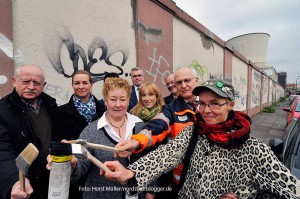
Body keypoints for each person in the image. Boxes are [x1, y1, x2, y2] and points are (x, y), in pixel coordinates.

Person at [103, 79, 300, 198]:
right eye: (202, 104)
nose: (206, 111)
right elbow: (164, 156)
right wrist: (131, 173)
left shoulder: (253, 149)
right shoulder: (193, 133)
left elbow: (291, 190)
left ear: (230, 104)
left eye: (215, 104)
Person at [53, 78, 145, 198]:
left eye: (123, 99)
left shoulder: (140, 126)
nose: (118, 104)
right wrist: (73, 164)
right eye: (113, 99)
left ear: (128, 101)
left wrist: (150, 193)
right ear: (105, 101)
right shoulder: (91, 131)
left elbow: (148, 161)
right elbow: (81, 167)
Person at [116, 66, 200, 197]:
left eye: (187, 80)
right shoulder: (170, 109)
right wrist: (137, 141)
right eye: (179, 82)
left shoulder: (208, 103)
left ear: (196, 80)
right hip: (181, 179)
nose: (183, 85)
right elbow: (156, 126)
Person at [0, 64, 58, 199]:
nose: (31, 87)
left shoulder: (51, 106)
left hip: (50, 182)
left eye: (37, 83)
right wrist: (15, 181)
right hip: (23, 185)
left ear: (43, 85)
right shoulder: (2, 111)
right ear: (14, 81)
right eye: (25, 81)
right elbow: (2, 152)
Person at [52, 70, 105, 199]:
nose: (81, 86)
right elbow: (57, 141)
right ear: (72, 85)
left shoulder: (103, 110)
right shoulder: (61, 112)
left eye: (85, 83)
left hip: (100, 166)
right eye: (77, 83)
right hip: (75, 165)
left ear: (91, 84)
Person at [130, 82, 167, 199]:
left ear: (157, 96)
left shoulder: (165, 115)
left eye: (150, 95)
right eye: (143, 95)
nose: (146, 99)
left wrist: (151, 188)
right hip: (135, 169)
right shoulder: (133, 114)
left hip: (158, 171)